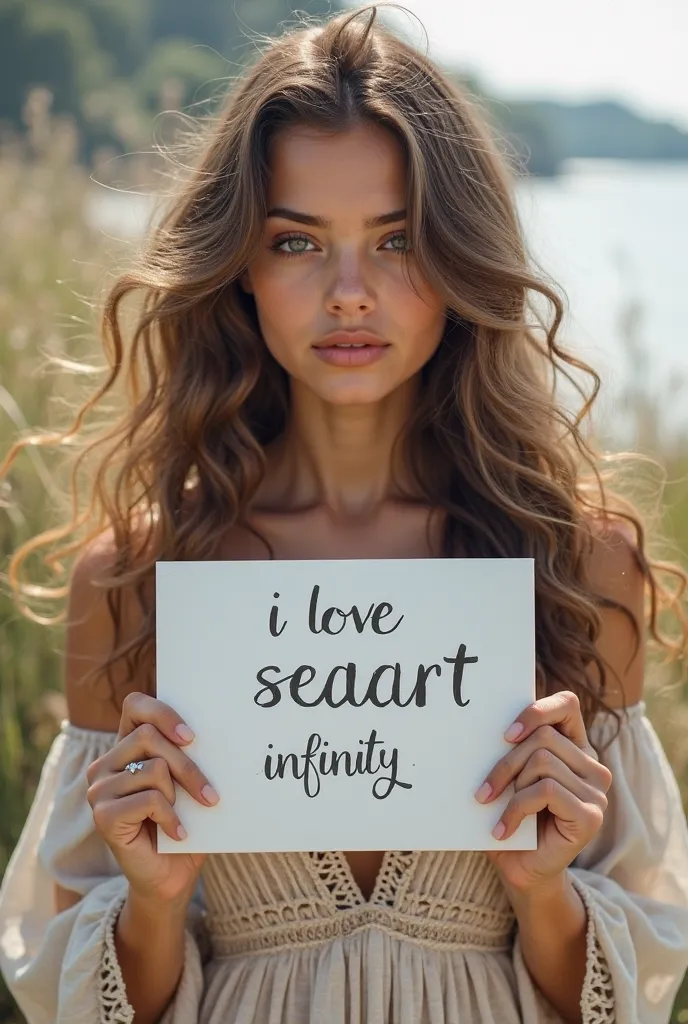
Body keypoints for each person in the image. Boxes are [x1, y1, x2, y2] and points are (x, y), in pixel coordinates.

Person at [2, 5, 688, 1023]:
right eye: (297, 241)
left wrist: (545, 893)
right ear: (240, 263)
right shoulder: (139, 577)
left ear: (458, 260)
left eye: (397, 240)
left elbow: (634, 991)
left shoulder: (578, 565)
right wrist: (152, 902)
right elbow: (79, 1001)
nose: (350, 293)